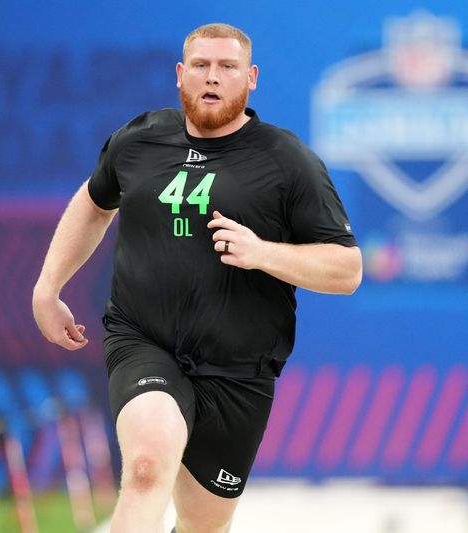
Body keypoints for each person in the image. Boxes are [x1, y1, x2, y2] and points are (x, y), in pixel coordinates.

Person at [32, 22, 362, 533]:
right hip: (143, 340)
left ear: (251, 78)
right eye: (201, 66)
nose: (213, 78)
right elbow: (93, 204)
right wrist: (47, 287)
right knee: (146, 467)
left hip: (238, 369)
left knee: (202, 525)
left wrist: (263, 252)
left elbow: (346, 269)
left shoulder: (287, 160)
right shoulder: (139, 139)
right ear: (180, 75)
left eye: (227, 67)